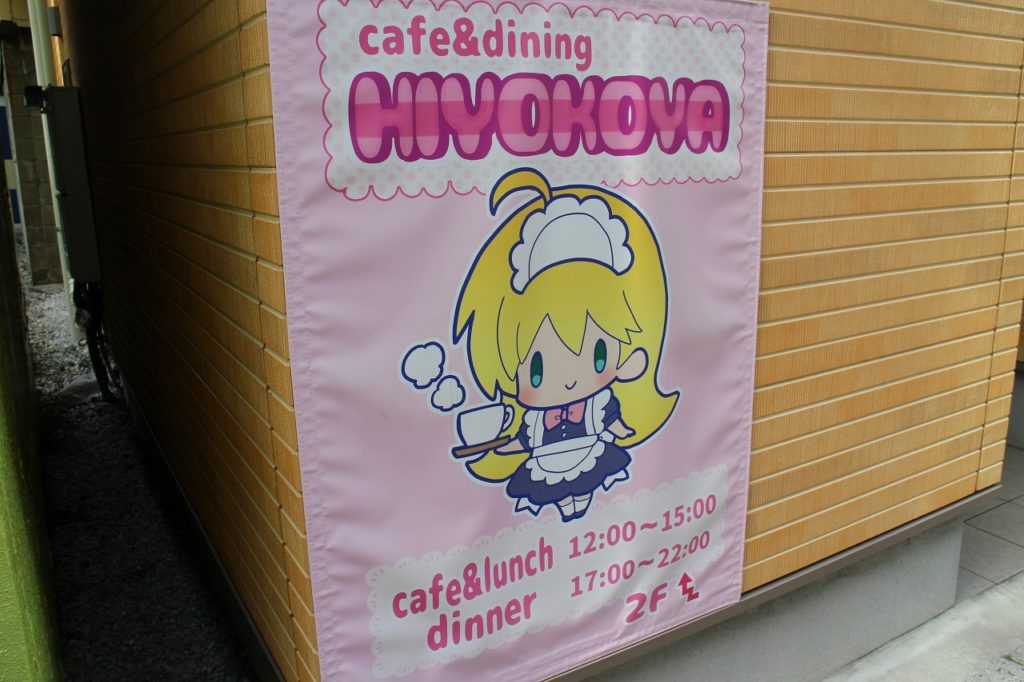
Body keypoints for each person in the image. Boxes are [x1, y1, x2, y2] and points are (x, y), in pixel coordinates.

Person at [453, 168, 678, 521]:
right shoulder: (535, 419)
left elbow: (613, 423)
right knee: (559, 496)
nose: (571, 380)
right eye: (537, 371)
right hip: (547, 465)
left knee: (582, 491)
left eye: (598, 356)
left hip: (589, 455)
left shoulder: (598, 403)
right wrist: (496, 448)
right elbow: (522, 442)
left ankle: (578, 508)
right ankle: (569, 510)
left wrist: (622, 429)